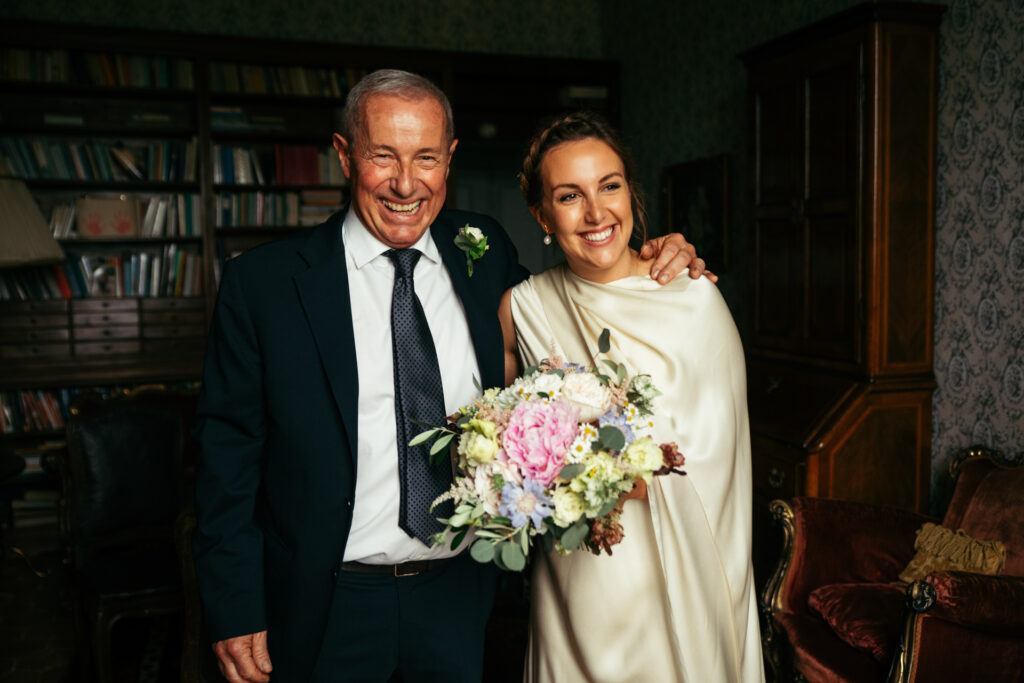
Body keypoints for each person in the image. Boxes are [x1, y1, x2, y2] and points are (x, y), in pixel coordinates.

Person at [193, 69, 709, 683]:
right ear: (343, 155)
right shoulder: (265, 285)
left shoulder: (483, 250)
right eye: (383, 156)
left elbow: (579, 301)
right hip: (325, 600)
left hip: (459, 595)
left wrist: (657, 262)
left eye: (426, 158)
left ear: (450, 159)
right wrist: (234, 604)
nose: (406, 183)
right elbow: (226, 457)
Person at [499, 111, 765, 682]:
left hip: (680, 577)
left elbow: (725, 453)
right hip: (581, 582)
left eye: (609, 186)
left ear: (631, 194)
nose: (596, 214)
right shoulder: (522, 308)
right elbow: (500, 439)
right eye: (570, 196)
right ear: (541, 215)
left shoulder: (694, 298)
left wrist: (633, 466)